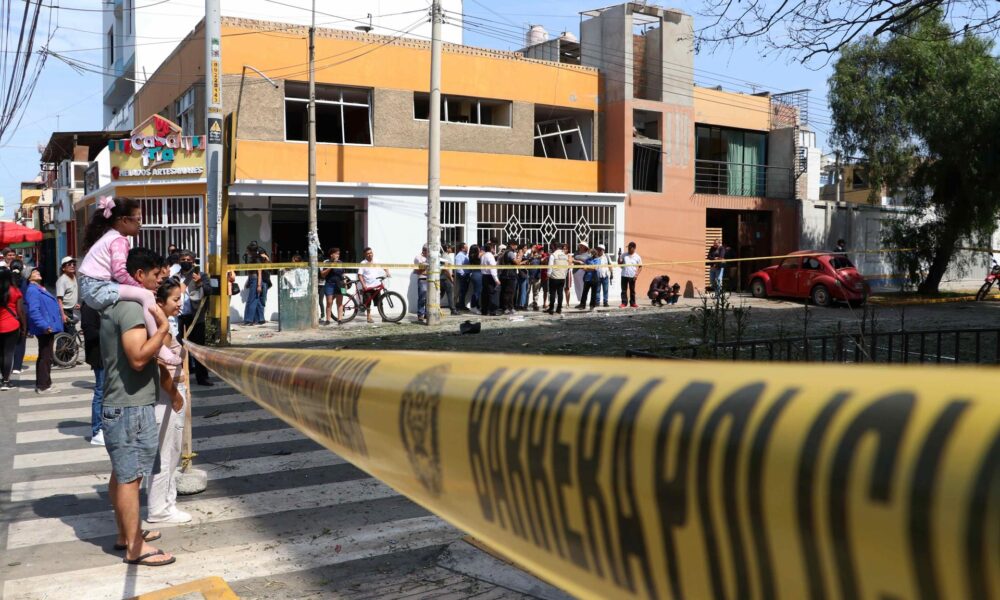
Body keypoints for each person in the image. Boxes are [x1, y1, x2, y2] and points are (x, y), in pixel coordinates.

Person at [100, 247, 175, 567]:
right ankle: (134, 547)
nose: (161, 280)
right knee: (131, 478)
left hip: (125, 403)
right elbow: (139, 356)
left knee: (122, 474)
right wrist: (162, 329)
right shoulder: (131, 308)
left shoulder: (122, 304)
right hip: (130, 406)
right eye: (156, 274)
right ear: (138, 275)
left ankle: (125, 534)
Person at [77, 197, 180, 365]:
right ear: (124, 220)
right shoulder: (119, 240)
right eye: (138, 219)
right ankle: (159, 347)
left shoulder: (109, 236)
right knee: (146, 296)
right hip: (98, 287)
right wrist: (140, 287)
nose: (141, 224)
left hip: (93, 287)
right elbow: (119, 271)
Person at [148, 277, 191, 524]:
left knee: (170, 455)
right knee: (166, 455)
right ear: (160, 302)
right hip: (167, 397)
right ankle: (159, 509)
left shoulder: (162, 326)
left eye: (180, 298)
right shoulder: (160, 332)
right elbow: (161, 368)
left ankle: (167, 503)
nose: (179, 304)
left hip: (171, 395)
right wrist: (175, 396)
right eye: (175, 299)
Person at [176, 250, 211, 386]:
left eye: (188, 259)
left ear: (193, 260)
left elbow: (209, 292)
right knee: (179, 347)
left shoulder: (201, 275)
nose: (185, 261)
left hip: (196, 317)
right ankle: (180, 376)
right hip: (179, 316)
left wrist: (200, 283)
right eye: (183, 259)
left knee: (198, 348)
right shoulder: (175, 277)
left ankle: (202, 377)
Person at [25, 268, 63, 394]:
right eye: (34, 272)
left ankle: (45, 383)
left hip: (48, 326)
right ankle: (43, 386)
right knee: (46, 356)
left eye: (37, 271)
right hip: (45, 328)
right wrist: (44, 325)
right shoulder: (32, 290)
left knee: (46, 355)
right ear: (29, 277)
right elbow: (33, 311)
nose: (38, 273)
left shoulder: (39, 288)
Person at [81, 303, 105, 445]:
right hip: (99, 356)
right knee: (100, 392)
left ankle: (105, 427)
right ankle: (97, 430)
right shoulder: (90, 306)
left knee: (106, 393)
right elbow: (89, 331)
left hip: (107, 355)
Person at [0, 268, 25, 391]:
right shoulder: (15, 291)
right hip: (11, 325)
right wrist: (24, 327)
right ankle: (6, 380)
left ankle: (2, 378)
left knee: (1, 353)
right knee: (8, 352)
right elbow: (20, 311)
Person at [358, 247, 390, 324]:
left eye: (371, 253)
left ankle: (383, 317)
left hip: (377, 285)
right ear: (365, 255)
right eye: (368, 253)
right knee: (368, 303)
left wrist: (387, 272)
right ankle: (369, 317)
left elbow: (384, 266)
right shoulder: (363, 263)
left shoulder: (377, 260)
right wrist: (363, 285)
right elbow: (360, 275)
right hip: (368, 286)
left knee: (380, 302)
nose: (370, 255)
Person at [8, 260, 28, 376]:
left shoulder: (6, 282)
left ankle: (7, 366)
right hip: (22, 314)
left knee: (8, 343)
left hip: (8, 315)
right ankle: (17, 366)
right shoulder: (25, 281)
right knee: (21, 340)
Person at [244, 248, 272, 325]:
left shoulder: (265, 261)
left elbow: (269, 269)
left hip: (264, 282)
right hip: (259, 281)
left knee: (261, 301)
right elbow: (255, 272)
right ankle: (258, 319)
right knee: (256, 300)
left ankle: (259, 319)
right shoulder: (256, 260)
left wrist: (267, 259)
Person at [320, 247, 347, 324]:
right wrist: (331, 266)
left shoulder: (340, 262)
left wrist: (345, 284)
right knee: (329, 302)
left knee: (340, 302)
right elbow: (322, 275)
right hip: (329, 284)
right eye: (336, 254)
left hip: (340, 284)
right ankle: (328, 320)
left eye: (338, 254)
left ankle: (340, 319)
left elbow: (343, 273)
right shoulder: (326, 262)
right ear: (331, 255)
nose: (338, 255)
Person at [547, 242, 569, 314]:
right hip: (562, 277)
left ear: (554, 247)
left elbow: (550, 266)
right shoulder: (564, 255)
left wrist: (548, 275)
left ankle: (551, 308)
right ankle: (559, 309)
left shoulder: (553, 255)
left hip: (554, 277)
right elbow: (567, 267)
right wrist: (564, 275)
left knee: (552, 293)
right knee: (560, 293)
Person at [56, 256, 80, 324]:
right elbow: (59, 300)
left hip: (71, 310)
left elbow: (70, 293)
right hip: (65, 310)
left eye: (74, 264)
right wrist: (63, 314)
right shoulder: (62, 280)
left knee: (72, 331)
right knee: (68, 332)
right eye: (69, 264)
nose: (72, 266)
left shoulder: (73, 276)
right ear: (63, 268)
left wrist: (75, 303)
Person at [619, 241, 642, 308]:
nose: (628, 249)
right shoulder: (624, 255)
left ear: (634, 248)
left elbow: (640, 267)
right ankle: (624, 303)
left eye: (630, 248)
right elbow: (620, 263)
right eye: (628, 248)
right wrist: (619, 259)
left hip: (632, 276)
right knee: (623, 290)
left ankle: (632, 303)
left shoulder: (637, 257)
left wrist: (636, 275)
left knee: (632, 290)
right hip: (624, 275)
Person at [480, 242, 500, 317]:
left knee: (485, 294)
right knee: (492, 294)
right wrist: (496, 279)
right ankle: (492, 311)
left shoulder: (483, 256)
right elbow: (493, 269)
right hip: (490, 277)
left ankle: (484, 310)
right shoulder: (490, 256)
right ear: (491, 248)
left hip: (484, 276)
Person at [499, 240, 519, 315]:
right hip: (509, 275)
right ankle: (509, 308)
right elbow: (517, 263)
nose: (516, 247)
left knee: (505, 292)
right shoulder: (510, 253)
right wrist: (520, 255)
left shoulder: (504, 252)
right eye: (515, 245)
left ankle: (505, 308)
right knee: (510, 292)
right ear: (512, 245)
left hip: (504, 274)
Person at [440, 246, 459, 316]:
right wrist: (450, 277)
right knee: (450, 294)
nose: (452, 248)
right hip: (446, 278)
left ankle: (434, 308)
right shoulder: (445, 256)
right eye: (450, 247)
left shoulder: (444, 255)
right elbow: (445, 269)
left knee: (440, 295)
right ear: (447, 248)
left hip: (443, 277)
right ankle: (453, 310)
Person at [527, 245, 544, 310]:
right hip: (529, 276)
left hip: (537, 276)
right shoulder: (529, 255)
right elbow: (529, 260)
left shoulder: (540, 256)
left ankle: (535, 304)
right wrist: (532, 253)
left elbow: (542, 260)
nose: (540, 251)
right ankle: (525, 305)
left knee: (536, 292)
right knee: (527, 291)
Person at [454, 243, 470, 311]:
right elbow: (458, 266)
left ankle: (461, 304)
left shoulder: (465, 255)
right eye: (466, 247)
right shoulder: (459, 256)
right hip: (463, 275)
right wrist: (463, 274)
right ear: (462, 248)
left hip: (466, 275)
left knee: (464, 290)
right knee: (462, 291)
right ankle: (460, 305)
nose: (467, 248)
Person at [468, 245, 482, 312]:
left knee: (478, 291)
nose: (480, 249)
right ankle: (473, 306)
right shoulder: (475, 255)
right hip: (477, 274)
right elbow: (481, 254)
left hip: (476, 273)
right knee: (477, 291)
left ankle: (476, 305)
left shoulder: (471, 255)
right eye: (478, 248)